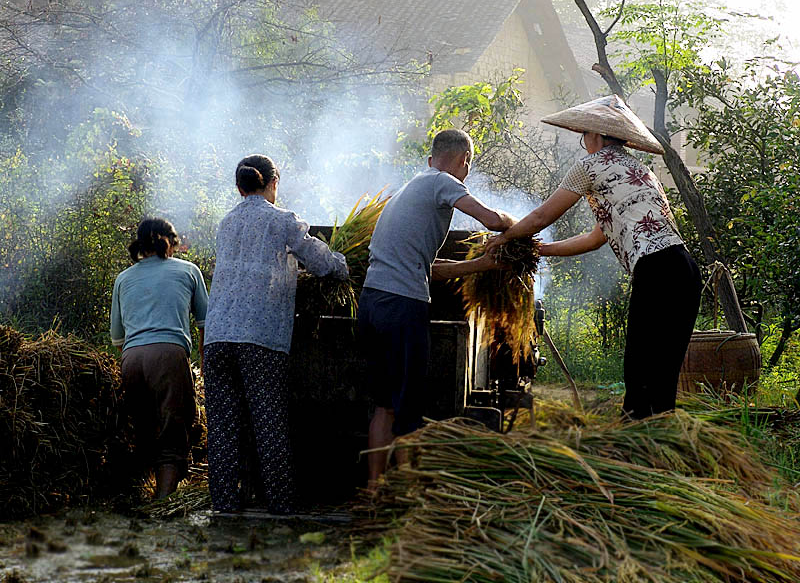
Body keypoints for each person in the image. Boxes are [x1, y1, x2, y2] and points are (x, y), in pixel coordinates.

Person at [486, 95, 701, 420]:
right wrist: (540, 250)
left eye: (584, 135)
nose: (583, 142)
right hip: (684, 269)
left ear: (597, 136)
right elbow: (594, 239)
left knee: (640, 368)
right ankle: (659, 447)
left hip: (656, 269)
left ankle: (635, 448)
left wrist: (504, 238)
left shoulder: (589, 166)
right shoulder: (637, 168)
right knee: (663, 373)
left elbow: (542, 217)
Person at [359, 128, 516, 488]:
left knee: (384, 405)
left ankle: (373, 491)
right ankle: (408, 494)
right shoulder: (443, 180)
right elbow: (492, 221)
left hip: (371, 303)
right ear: (464, 161)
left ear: (431, 157)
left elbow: (428, 269)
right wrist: (516, 228)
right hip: (402, 308)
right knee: (409, 409)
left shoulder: (409, 188)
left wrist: (483, 265)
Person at [202, 154, 348, 514]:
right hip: (259, 337)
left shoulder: (226, 223)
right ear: (273, 184)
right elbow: (320, 262)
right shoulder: (284, 221)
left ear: (238, 187)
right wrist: (345, 265)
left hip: (217, 337)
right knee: (268, 422)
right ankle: (281, 505)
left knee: (223, 426)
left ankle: (224, 504)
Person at [110, 217, 209, 498]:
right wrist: (199, 363)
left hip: (131, 358)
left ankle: (137, 496)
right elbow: (205, 322)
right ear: (171, 242)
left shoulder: (124, 278)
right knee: (173, 428)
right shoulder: (188, 271)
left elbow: (118, 337)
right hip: (169, 355)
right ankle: (163, 501)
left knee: (143, 428)